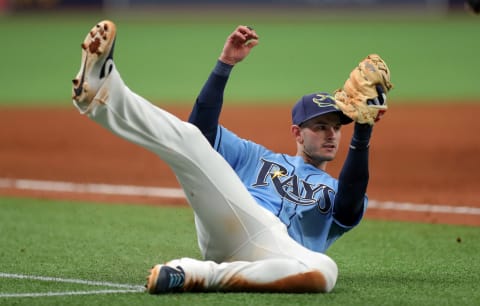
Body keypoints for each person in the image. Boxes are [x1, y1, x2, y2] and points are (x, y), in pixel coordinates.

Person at [72, 20, 379, 294]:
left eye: (337, 128)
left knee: (325, 271)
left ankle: (196, 274)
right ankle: (103, 92)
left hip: (279, 253)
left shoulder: (336, 188)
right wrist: (224, 65)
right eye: (321, 126)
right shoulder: (256, 156)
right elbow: (203, 131)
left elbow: (349, 205)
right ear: (298, 133)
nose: (331, 134)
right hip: (231, 222)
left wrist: (363, 130)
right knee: (191, 138)